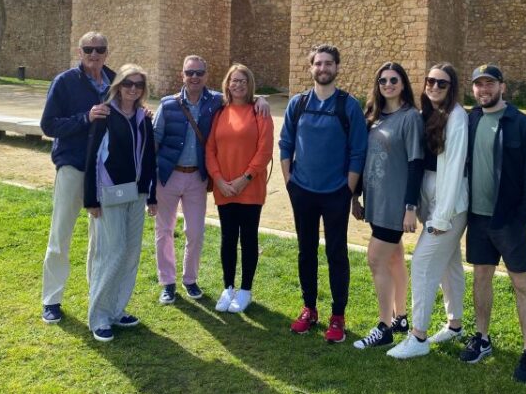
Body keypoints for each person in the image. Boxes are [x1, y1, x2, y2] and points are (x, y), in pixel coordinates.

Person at [153, 55, 269, 305]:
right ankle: (168, 283)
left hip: (197, 177)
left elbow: (247, 106)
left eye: (199, 72)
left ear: (206, 75)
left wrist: (261, 100)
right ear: (182, 75)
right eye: (189, 72)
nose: (194, 77)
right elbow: (155, 140)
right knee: (164, 231)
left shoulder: (214, 102)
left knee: (195, 232)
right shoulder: (169, 105)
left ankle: (190, 280)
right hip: (171, 177)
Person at [459, 64, 526, 385]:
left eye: (489, 84)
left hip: (511, 220)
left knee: (521, 283)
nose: (484, 90)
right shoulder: (471, 120)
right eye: (478, 85)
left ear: (502, 87)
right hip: (479, 218)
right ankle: (482, 337)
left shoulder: (521, 125)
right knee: (481, 277)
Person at [279, 44, 367, 343]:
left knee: (336, 253)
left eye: (329, 63)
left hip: (336, 193)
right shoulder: (298, 103)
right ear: (311, 67)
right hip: (302, 190)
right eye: (318, 63)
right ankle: (309, 308)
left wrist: (348, 189)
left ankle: (338, 315)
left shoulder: (348, 105)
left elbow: (358, 150)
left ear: (337, 68)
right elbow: (286, 143)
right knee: (306, 251)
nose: (323, 68)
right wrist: (289, 181)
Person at [387, 62, 469, 359]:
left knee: (422, 263)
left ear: (452, 88)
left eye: (442, 83)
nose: (434, 86)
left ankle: (418, 336)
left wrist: (441, 218)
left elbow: (455, 170)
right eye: (430, 81)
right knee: (449, 265)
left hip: (450, 207)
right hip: (434, 203)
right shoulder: (426, 114)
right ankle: (456, 325)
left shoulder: (457, 118)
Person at [39, 31, 115, 324]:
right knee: (61, 235)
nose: (94, 55)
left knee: (101, 241)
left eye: (99, 50)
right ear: (79, 51)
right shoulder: (65, 82)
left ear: (107, 52)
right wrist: (85, 118)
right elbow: (49, 124)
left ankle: (97, 298)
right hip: (73, 166)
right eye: (88, 49)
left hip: (103, 170)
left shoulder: (115, 81)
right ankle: (52, 299)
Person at [351, 62, 423, 350]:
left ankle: (384, 327)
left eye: (394, 79)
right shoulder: (375, 116)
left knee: (376, 260)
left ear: (403, 83)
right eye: (383, 80)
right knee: (393, 259)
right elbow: (362, 156)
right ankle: (401, 316)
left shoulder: (410, 118)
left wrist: (410, 206)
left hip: (395, 204)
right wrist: (356, 196)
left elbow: (416, 163)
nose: (388, 84)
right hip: (375, 200)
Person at [83, 64, 157, 342]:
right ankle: (99, 315)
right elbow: (92, 158)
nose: (133, 89)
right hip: (110, 193)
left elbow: (149, 157)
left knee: (130, 254)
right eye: (128, 84)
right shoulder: (105, 115)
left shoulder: (143, 117)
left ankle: (116, 309)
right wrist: (91, 198)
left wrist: (151, 195)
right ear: (119, 86)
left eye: (138, 85)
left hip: (136, 194)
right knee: (110, 253)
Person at [205, 64, 274, 314]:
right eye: (234, 81)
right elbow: (210, 149)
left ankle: (245, 290)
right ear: (227, 84)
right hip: (224, 186)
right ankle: (228, 287)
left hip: (250, 186)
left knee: (248, 238)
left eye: (243, 80)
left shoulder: (259, 112)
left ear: (250, 84)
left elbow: (265, 150)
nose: (238, 85)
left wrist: (245, 178)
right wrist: (219, 179)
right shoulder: (220, 112)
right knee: (227, 238)